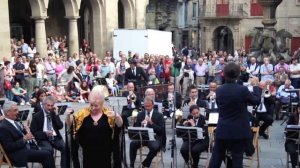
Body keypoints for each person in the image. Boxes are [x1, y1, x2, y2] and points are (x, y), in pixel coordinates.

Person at [208, 62, 261, 168]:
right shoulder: (242, 90)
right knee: (237, 160)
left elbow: (219, 106)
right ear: (237, 75)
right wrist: (256, 87)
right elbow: (256, 101)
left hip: (223, 129)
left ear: (224, 74)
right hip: (239, 130)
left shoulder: (219, 90)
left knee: (216, 160)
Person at [65, 87, 123, 168]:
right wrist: (68, 115)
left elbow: (120, 125)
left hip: (105, 153)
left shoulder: (108, 113)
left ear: (102, 104)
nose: (93, 108)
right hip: (88, 153)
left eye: (96, 106)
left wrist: (116, 116)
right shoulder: (82, 114)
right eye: (91, 105)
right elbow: (71, 124)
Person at [0, 101, 55, 168]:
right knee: (46, 155)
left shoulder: (14, 121)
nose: (18, 112)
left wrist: (26, 130)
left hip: (25, 148)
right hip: (18, 154)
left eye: (17, 109)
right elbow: (9, 147)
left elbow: (20, 134)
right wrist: (24, 138)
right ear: (8, 112)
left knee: (49, 151)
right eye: (15, 110)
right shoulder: (3, 127)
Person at [30, 96, 66, 168]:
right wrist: (45, 133)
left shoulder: (53, 113)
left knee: (65, 148)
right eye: (48, 105)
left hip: (55, 137)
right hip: (43, 139)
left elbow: (60, 126)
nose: (50, 107)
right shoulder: (37, 116)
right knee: (49, 150)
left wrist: (56, 114)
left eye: (52, 105)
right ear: (43, 105)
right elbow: (33, 131)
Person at [129, 96, 166, 168]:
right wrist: (141, 126)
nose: (147, 108)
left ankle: (145, 163)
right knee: (132, 144)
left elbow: (161, 130)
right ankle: (131, 165)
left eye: (149, 106)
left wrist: (152, 123)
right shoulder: (140, 114)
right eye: (146, 106)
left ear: (152, 105)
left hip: (154, 137)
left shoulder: (159, 115)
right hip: (143, 136)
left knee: (155, 147)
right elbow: (135, 129)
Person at [285, 104, 300, 168]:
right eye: (299, 109)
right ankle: (295, 165)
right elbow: (286, 129)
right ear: (297, 109)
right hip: (292, 141)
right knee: (293, 151)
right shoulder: (293, 116)